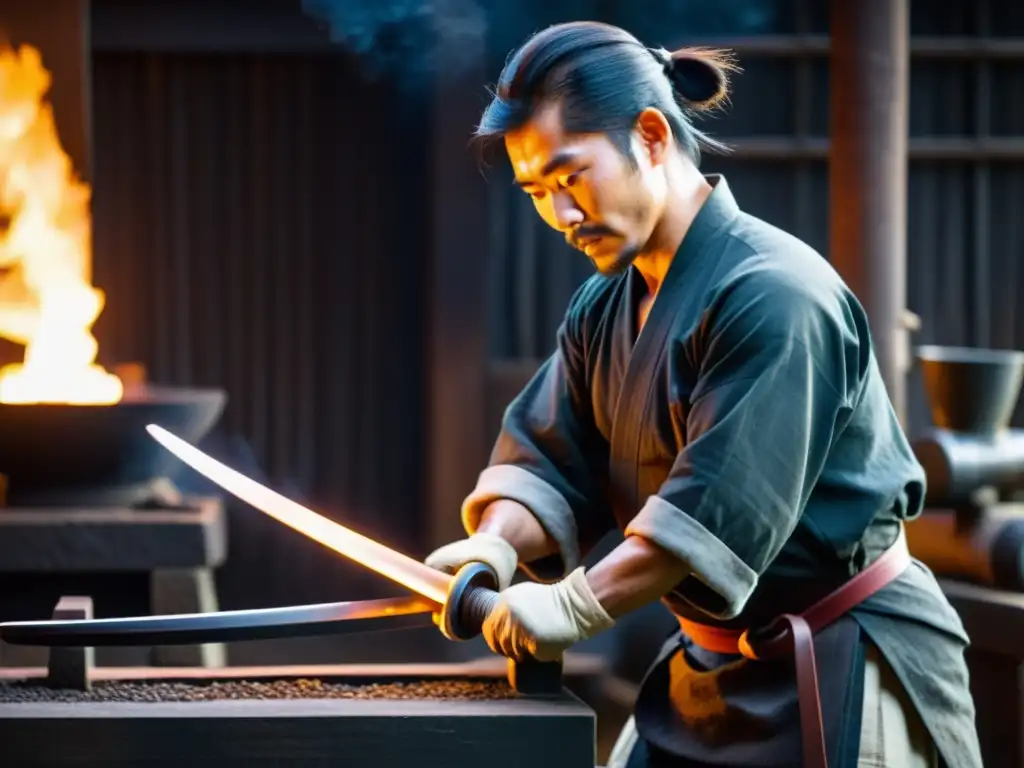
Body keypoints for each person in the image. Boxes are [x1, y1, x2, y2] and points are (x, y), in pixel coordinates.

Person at [425, 20, 981, 768]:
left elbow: (709, 514)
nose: (560, 214)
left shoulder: (776, 295)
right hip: (706, 667)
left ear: (651, 137)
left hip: (843, 657)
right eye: (536, 191)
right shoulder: (606, 304)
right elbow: (546, 461)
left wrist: (572, 605)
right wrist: (494, 543)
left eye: (569, 177)